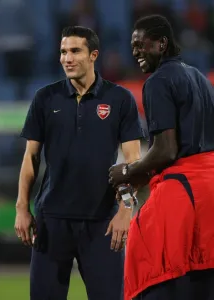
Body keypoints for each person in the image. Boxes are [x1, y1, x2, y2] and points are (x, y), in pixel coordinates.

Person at [15, 26, 143, 300]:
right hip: (52, 221)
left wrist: (125, 210)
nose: (67, 58)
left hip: (102, 223)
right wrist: (22, 207)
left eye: (75, 51)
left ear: (93, 55)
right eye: (63, 51)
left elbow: (133, 162)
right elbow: (31, 157)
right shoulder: (45, 98)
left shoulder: (119, 100)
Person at [109, 15, 214, 300]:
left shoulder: (158, 81)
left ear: (162, 43)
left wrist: (128, 172)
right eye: (132, 46)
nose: (135, 52)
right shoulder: (201, 80)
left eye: (141, 44)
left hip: (183, 191)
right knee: (204, 278)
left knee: (155, 273)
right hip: (211, 188)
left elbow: (166, 150)